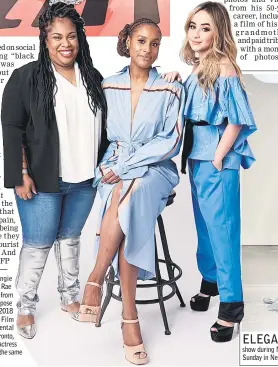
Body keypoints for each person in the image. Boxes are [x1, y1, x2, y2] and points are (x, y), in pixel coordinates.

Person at [80, 18, 185, 365]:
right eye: (141, 41)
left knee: (132, 189)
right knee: (126, 200)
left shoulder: (170, 89)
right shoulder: (109, 86)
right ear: (128, 42)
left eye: (155, 43)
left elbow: (169, 141)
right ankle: (130, 319)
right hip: (115, 168)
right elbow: (100, 137)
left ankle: (95, 277)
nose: (148, 49)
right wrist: (108, 166)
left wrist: (123, 168)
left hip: (155, 169)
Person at [1, 1, 108, 339]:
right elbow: (11, 126)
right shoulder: (26, 77)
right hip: (44, 180)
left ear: (80, 39)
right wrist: (19, 173)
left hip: (85, 180)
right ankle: (26, 305)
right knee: (38, 242)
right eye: (57, 37)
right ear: (45, 40)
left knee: (69, 239)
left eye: (72, 37)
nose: (66, 44)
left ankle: (69, 297)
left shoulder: (92, 78)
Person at [179, 1, 257, 342]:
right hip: (198, 156)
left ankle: (231, 306)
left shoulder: (224, 67)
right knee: (205, 228)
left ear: (218, 31)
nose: (197, 33)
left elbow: (237, 119)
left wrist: (217, 157)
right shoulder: (198, 66)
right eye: (193, 26)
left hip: (216, 160)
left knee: (222, 232)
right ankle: (210, 282)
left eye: (205, 27)